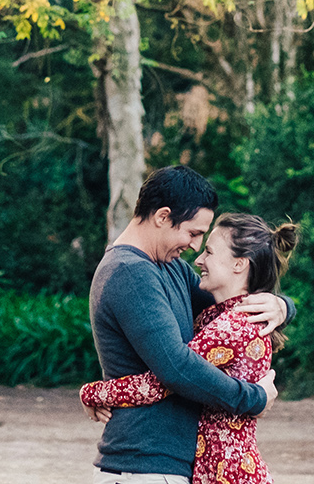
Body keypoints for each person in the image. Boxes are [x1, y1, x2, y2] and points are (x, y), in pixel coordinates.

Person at [86, 167, 292, 484]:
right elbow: (177, 368)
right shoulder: (129, 272)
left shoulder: (170, 269)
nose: (194, 247)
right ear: (162, 217)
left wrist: (281, 305)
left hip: (163, 466)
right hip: (143, 465)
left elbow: (231, 307)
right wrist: (254, 399)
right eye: (193, 233)